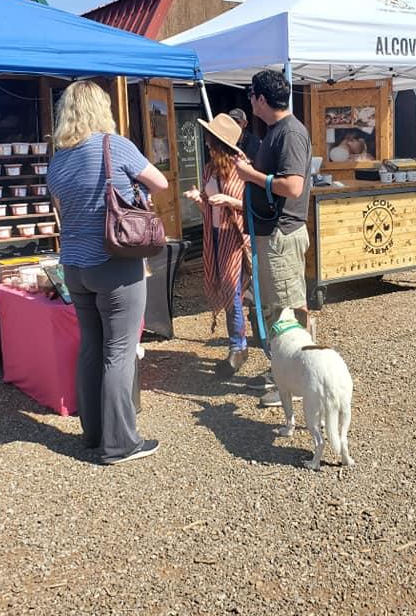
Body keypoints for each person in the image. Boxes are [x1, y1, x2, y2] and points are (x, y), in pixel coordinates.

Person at [47, 80, 169, 465]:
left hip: (75, 265)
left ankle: (94, 433)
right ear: (101, 110)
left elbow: (63, 208)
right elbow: (161, 182)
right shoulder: (113, 145)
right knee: (118, 352)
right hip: (115, 261)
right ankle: (120, 445)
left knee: (90, 348)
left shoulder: (57, 160)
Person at [234, 70, 312, 408]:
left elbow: (292, 186)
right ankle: (286, 371)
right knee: (280, 306)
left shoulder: (290, 133)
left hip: (282, 233)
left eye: (251, 94)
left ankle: (290, 381)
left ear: (262, 99)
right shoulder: (276, 132)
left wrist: (251, 175)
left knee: (283, 310)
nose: (249, 99)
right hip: (274, 233)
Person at [183, 114, 251, 373]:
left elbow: (253, 208)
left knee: (234, 292)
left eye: (212, 142)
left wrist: (230, 202)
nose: (208, 145)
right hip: (214, 236)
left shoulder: (243, 169)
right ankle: (239, 344)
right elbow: (208, 205)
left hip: (236, 239)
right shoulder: (210, 169)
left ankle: (239, 345)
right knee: (226, 290)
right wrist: (198, 200)